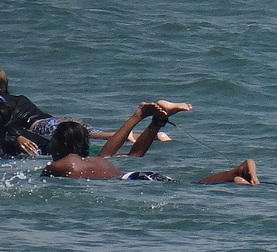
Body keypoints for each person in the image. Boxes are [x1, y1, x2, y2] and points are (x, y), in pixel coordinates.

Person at [43, 102, 258, 185]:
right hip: (138, 177)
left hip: (136, 183)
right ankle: (236, 173)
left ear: (62, 143)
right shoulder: (97, 163)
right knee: (191, 186)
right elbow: (113, 155)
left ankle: (236, 174)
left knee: (192, 187)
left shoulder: (64, 164)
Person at [0, 68, 166, 156]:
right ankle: (154, 129)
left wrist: (15, 136)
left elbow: (5, 126)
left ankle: (142, 125)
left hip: (42, 125)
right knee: (93, 135)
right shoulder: (17, 98)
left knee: (100, 139)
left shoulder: (5, 102)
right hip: (54, 120)